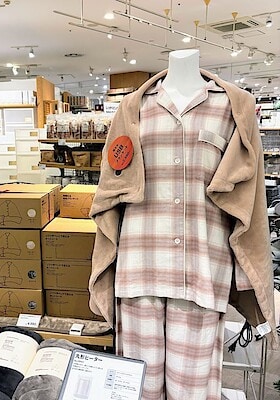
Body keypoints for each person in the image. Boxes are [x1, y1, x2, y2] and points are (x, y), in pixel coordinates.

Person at [89, 49, 278, 399]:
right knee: (140, 388)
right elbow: (110, 192)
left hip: (203, 272)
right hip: (139, 270)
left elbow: (248, 201)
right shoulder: (132, 108)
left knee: (193, 390)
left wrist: (249, 276)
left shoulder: (234, 107)